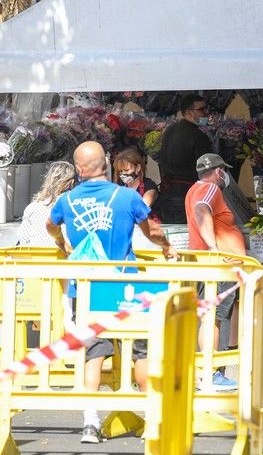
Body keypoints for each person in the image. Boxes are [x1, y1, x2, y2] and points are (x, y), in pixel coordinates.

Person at [46, 141, 177, 444]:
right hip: (123, 286)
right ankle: (152, 420)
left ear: (79, 169)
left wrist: (62, 244)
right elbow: (152, 231)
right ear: (105, 164)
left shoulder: (67, 200)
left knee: (94, 354)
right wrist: (168, 248)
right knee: (141, 350)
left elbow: (50, 225)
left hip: (88, 288)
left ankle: (90, 422)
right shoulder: (125, 196)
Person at [185, 153, 246, 391]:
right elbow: (202, 210)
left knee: (212, 317)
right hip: (218, 266)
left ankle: (207, 371)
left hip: (210, 263)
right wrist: (214, 249)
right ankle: (211, 372)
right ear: (219, 172)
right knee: (215, 317)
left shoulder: (193, 189)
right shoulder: (211, 189)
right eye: (224, 172)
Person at [157, 93, 213, 223]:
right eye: (201, 109)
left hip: (167, 193)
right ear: (189, 112)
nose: (206, 113)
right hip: (188, 194)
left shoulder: (169, 131)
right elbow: (205, 171)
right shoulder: (199, 136)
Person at [17, 161, 75, 246]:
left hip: (38, 257)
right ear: (71, 183)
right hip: (65, 255)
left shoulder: (32, 207)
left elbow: (23, 239)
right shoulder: (74, 206)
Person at [113, 148, 160, 222]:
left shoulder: (149, 186)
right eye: (120, 172)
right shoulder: (119, 188)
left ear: (138, 168)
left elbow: (142, 208)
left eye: (126, 170)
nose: (123, 174)